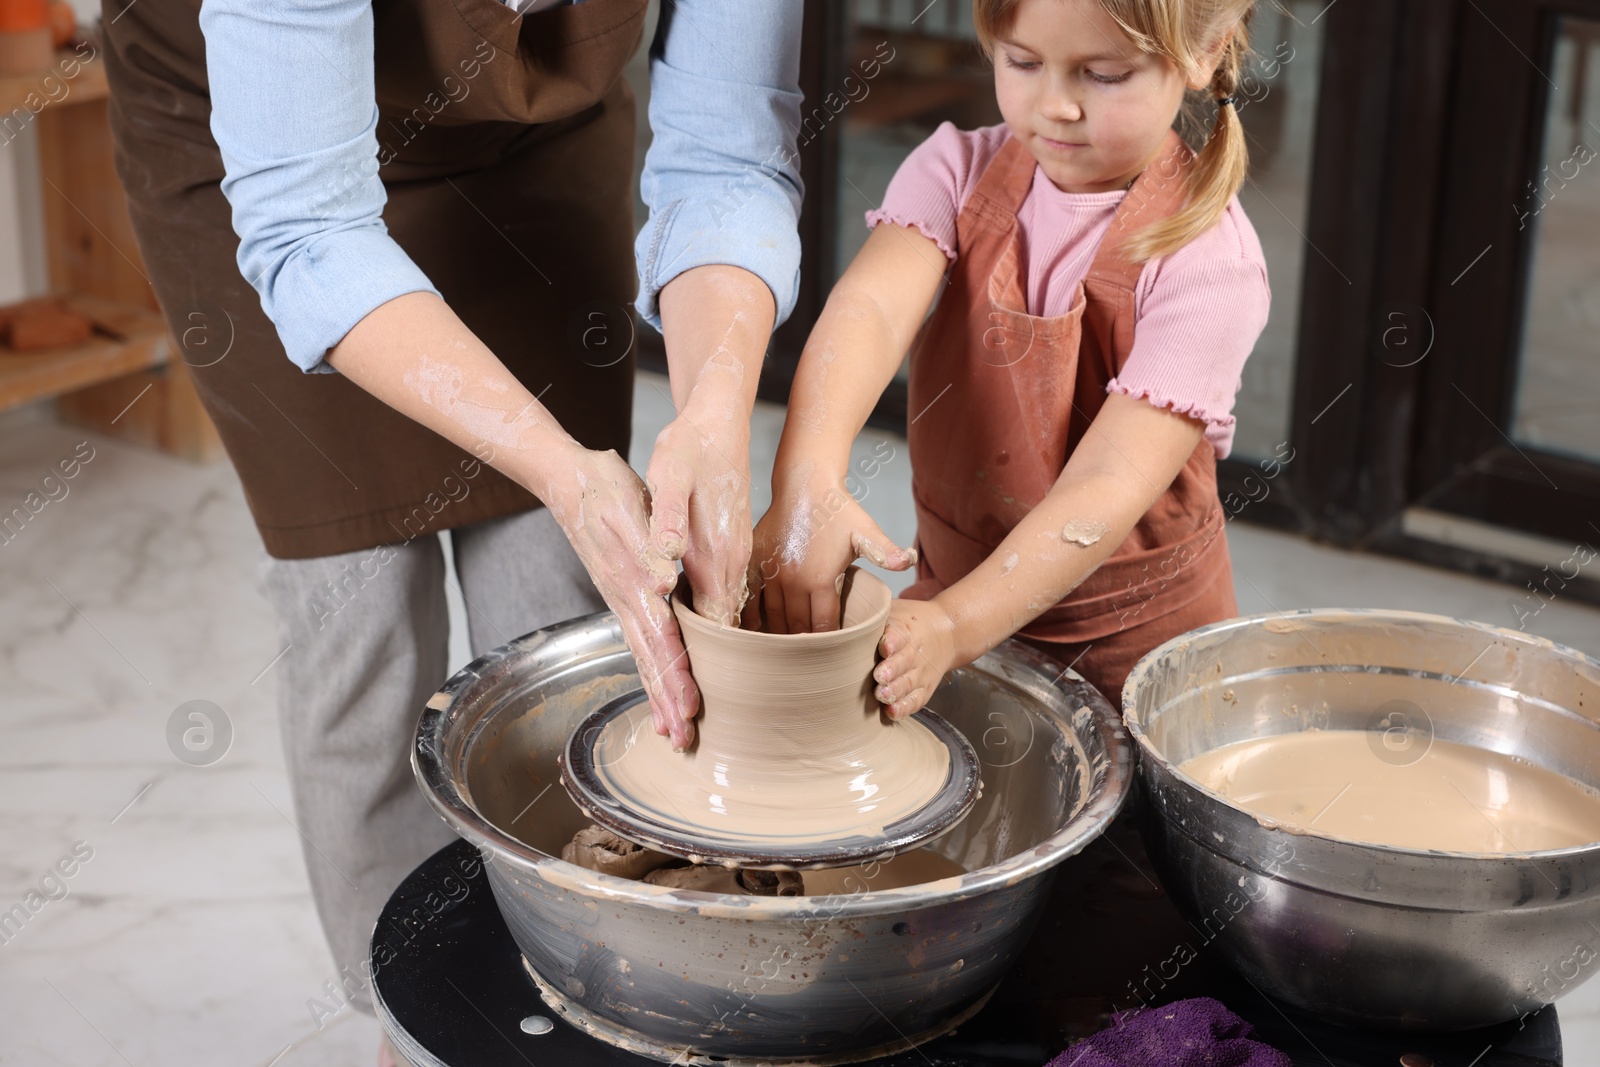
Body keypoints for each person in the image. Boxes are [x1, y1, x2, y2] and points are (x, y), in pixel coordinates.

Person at [100, 0, 801, 1035]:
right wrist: (565, 470)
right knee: (361, 615)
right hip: (261, 158)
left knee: (564, 600)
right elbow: (310, 228)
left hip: (530, 146)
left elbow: (728, 157)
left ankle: (568, 1000)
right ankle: (418, 1019)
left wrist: (712, 406)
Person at [748, 0, 1269, 714]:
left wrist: (957, 624)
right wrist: (806, 479)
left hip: (1134, 653)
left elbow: (1108, 485)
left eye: (1104, 74)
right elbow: (868, 311)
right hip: (954, 600)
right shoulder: (956, 171)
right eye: (1022, 62)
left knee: (1122, 824)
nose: (1055, 105)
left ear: (1202, 55)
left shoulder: (1210, 266)